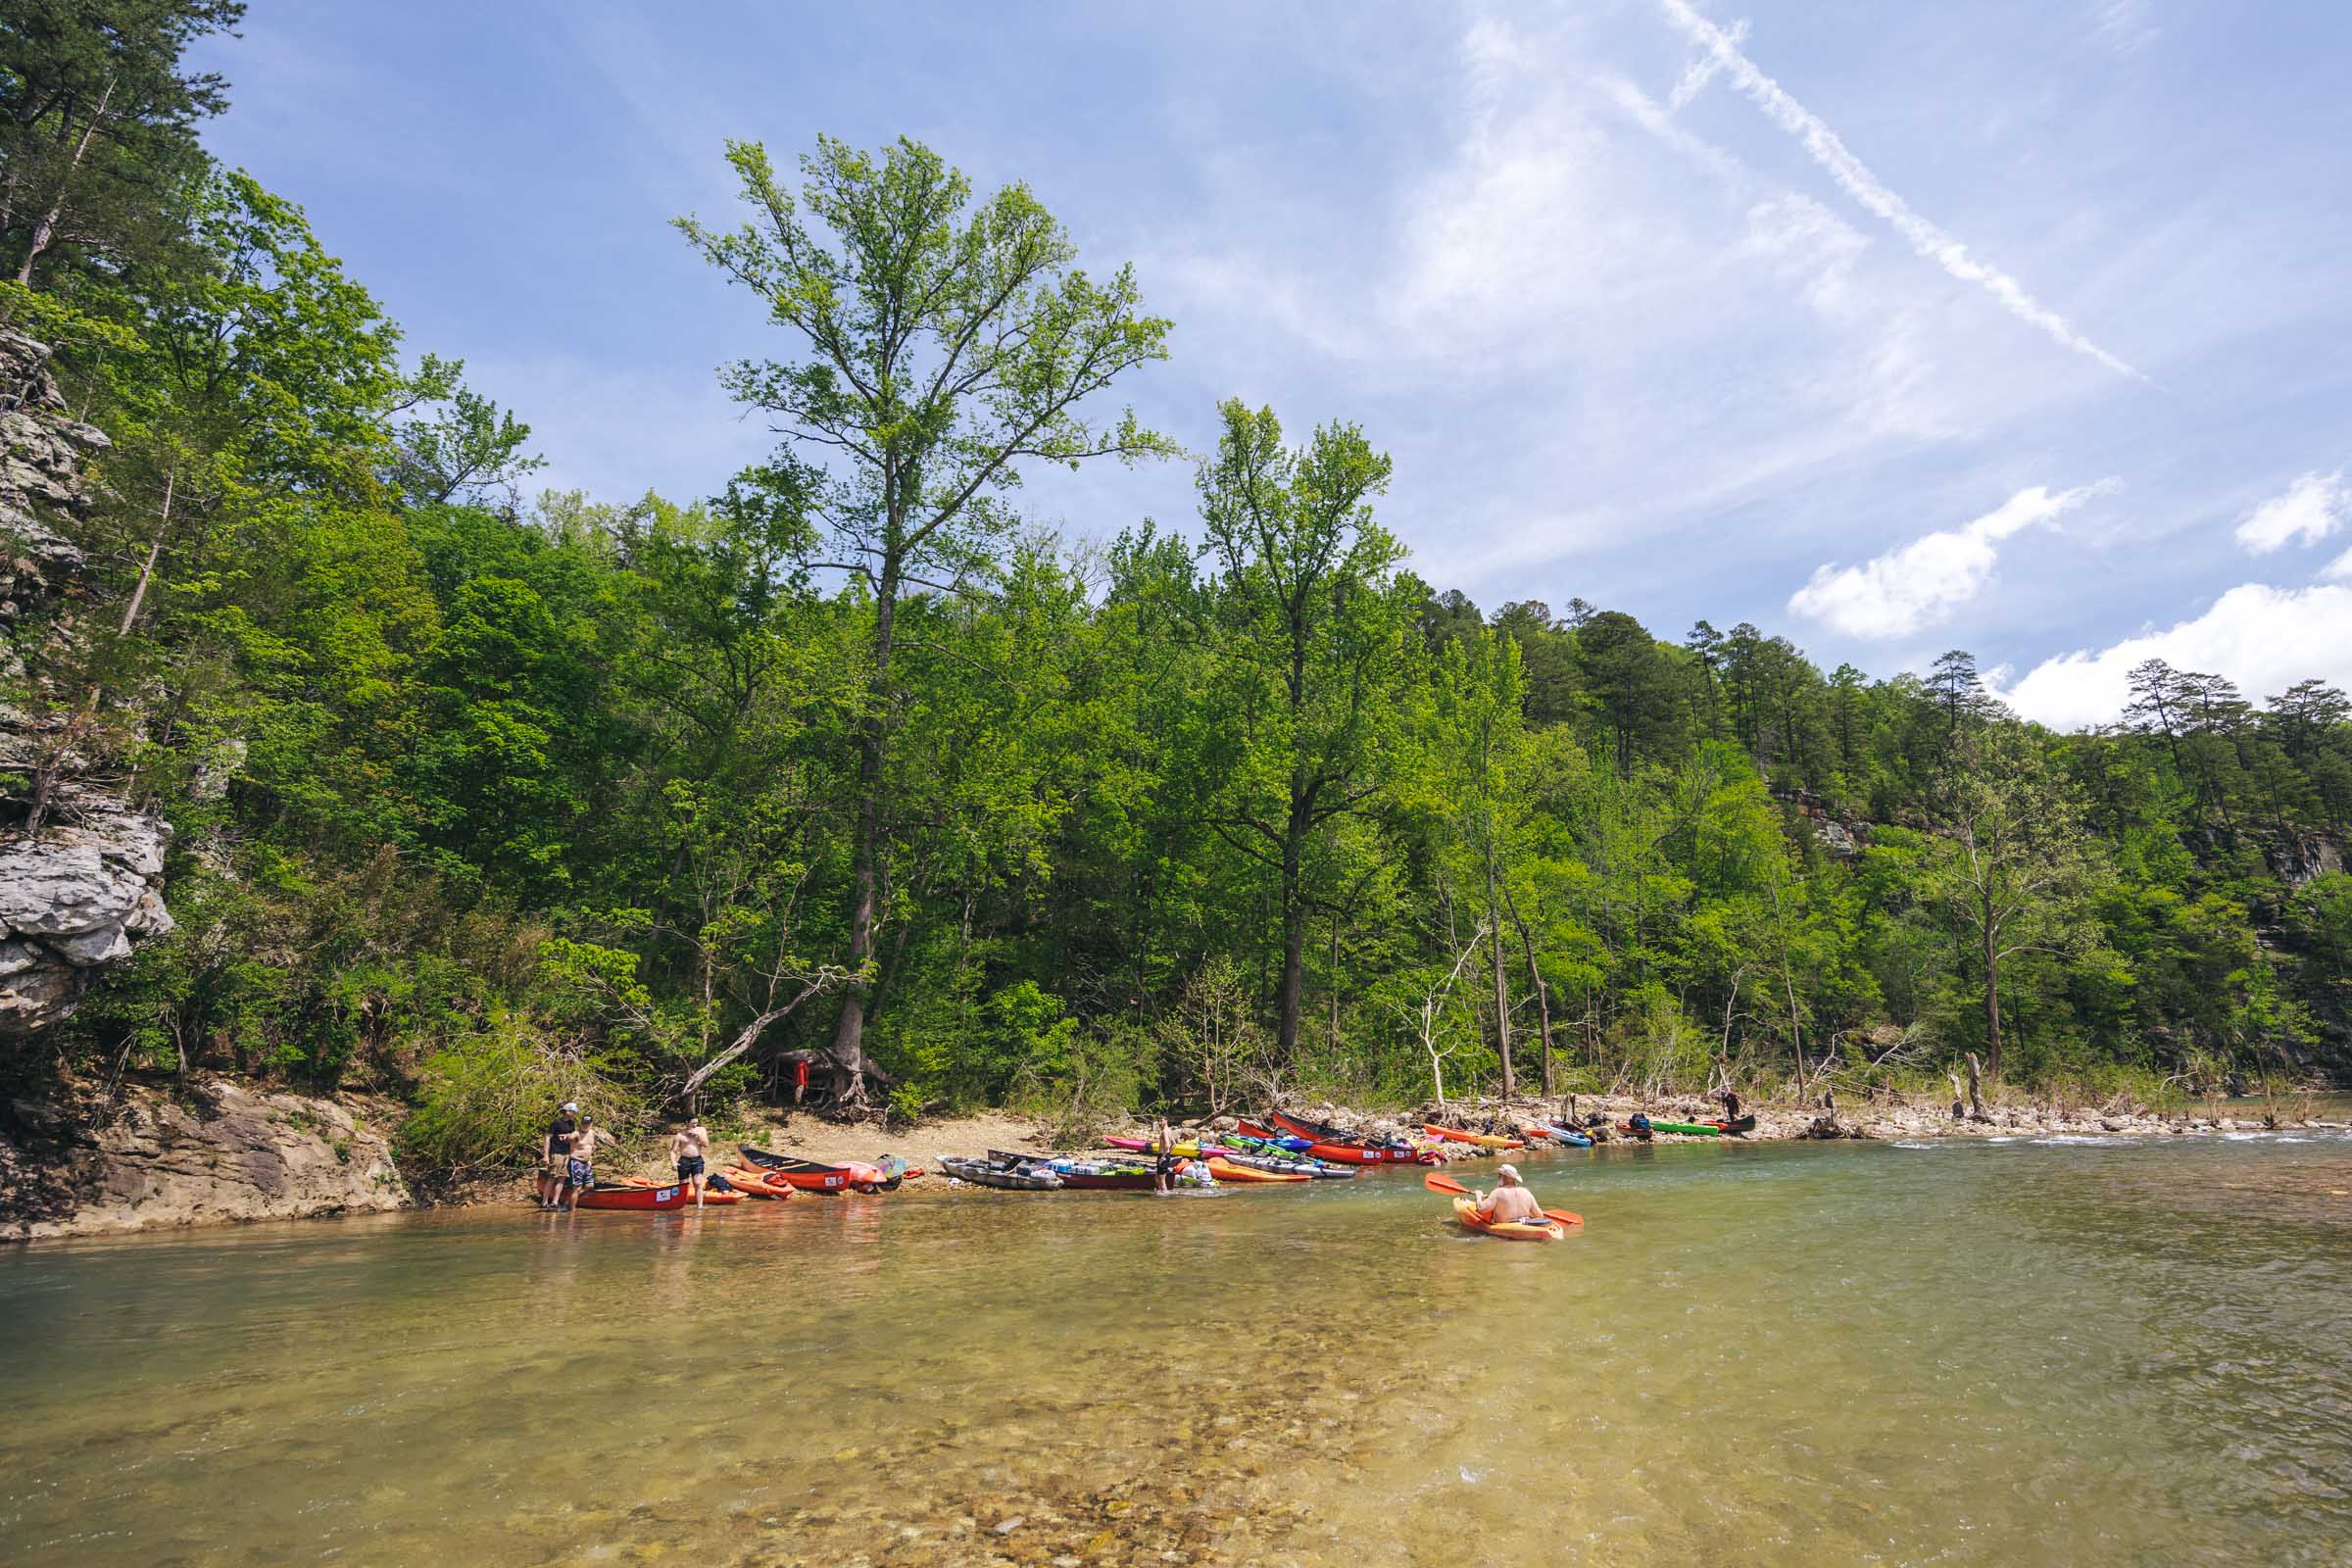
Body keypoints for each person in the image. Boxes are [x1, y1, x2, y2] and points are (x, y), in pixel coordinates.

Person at [1472, 1164, 1544, 1225]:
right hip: (1525, 1226)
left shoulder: (1498, 1192)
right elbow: (1539, 1216)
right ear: (1515, 1179)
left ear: (1502, 1177)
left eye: (1499, 1176)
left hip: (1504, 1230)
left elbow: (1481, 1209)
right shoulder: (1526, 1192)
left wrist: (1478, 1195)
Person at [539, 1102, 579, 1209]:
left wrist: (572, 1152)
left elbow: (573, 1138)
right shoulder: (556, 1122)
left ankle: (555, 1202)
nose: (574, 1113)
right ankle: (544, 1202)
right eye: (572, 1111)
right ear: (567, 1111)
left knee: (562, 1177)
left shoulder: (572, 1123)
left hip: (566, 1153)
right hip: (556, 1152)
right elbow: (548, 1137)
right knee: (552, 1176)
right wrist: (546, 1155)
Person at [669, 1112, 711, 1208]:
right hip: (684, 1161)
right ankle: (681, 1205)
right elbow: (673, 1151)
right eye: (693, 1123)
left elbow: (706, 1144)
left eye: (696, 1123)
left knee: (697, 1183)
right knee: (683, 1185)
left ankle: (700, 1206)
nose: (695, 1125)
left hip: (697, 1160)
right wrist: (673, 1162)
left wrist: (698, 1136)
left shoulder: (701, 1130)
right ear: (687, 1123)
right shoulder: (680, 1135)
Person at [562, 1113, 600, 1211]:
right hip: (576, 1162)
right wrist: (567, 1137)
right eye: (584, 1123)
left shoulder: (592, 1133)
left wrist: (590, 1159)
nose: (585, 1125)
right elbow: (570, 1137)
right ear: (581, 1123)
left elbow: (592, 1146)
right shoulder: (576, 1133)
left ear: (591, 1123)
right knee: (577, 1187)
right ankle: (572, 1210)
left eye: (587, 1123)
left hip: (587, 1163)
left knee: (589, 1185)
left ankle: (567, 1202)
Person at [1152, 1116, 1176, 1196]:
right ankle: (1159, 1192)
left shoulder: (1165, 1131)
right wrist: (1168, 1154)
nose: (1160, 1123)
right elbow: (1174, 1144)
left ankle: (1164, 1196)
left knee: (1162, 1180)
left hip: (1162, 1155)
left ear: (1166, 1121)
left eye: (1161, 1121)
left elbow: (1167, 1145)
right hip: (1166, 1155)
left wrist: (1163, 1157)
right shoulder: (1169, 1130)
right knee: (1157, 1177)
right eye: (1159, 1121)